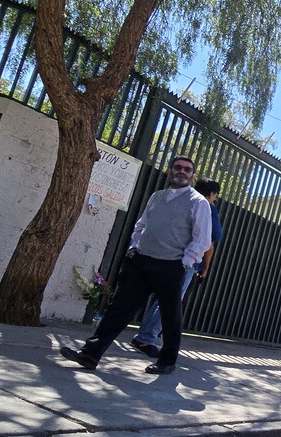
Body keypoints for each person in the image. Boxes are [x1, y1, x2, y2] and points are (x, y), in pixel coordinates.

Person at [61, 155, 212, 375]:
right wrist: (134, 249)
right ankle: (90, 354)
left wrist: (185, 263)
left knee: (170, 317)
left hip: (171, 266)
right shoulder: (157, 197)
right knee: (119, 310)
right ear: (170, 171)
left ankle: (166, 362)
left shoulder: (198, 202)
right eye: (177, 168)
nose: (182, 172)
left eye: (187, 169)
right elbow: (141, 225)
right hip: (141, 262)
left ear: (192, 175)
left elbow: (202, 239)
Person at [131, 179, 222, 358]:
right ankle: (146, 337)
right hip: (184, 262)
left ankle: (144, 335)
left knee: (156, 299)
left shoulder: (180, 200)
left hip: (162, 256)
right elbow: (210, 241)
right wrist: (204, 268)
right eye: (215, 196)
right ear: (212, 194)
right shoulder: (206, 207)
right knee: (170, 302)